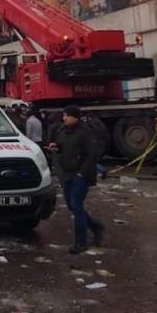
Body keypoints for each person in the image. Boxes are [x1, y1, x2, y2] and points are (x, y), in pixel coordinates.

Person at [46, 105, 104, 255]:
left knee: (76, 205)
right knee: (72, 206)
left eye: (67, 115)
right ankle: (96, 226)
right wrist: (56, 147)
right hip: (66, 173)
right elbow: (63, 146)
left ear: (75, 117)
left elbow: (92, 155)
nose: (64, 118)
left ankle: (81, 242)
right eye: (64, 115)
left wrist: (82, 173)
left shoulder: (85, 133)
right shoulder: (63, 130)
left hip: (80, 175)